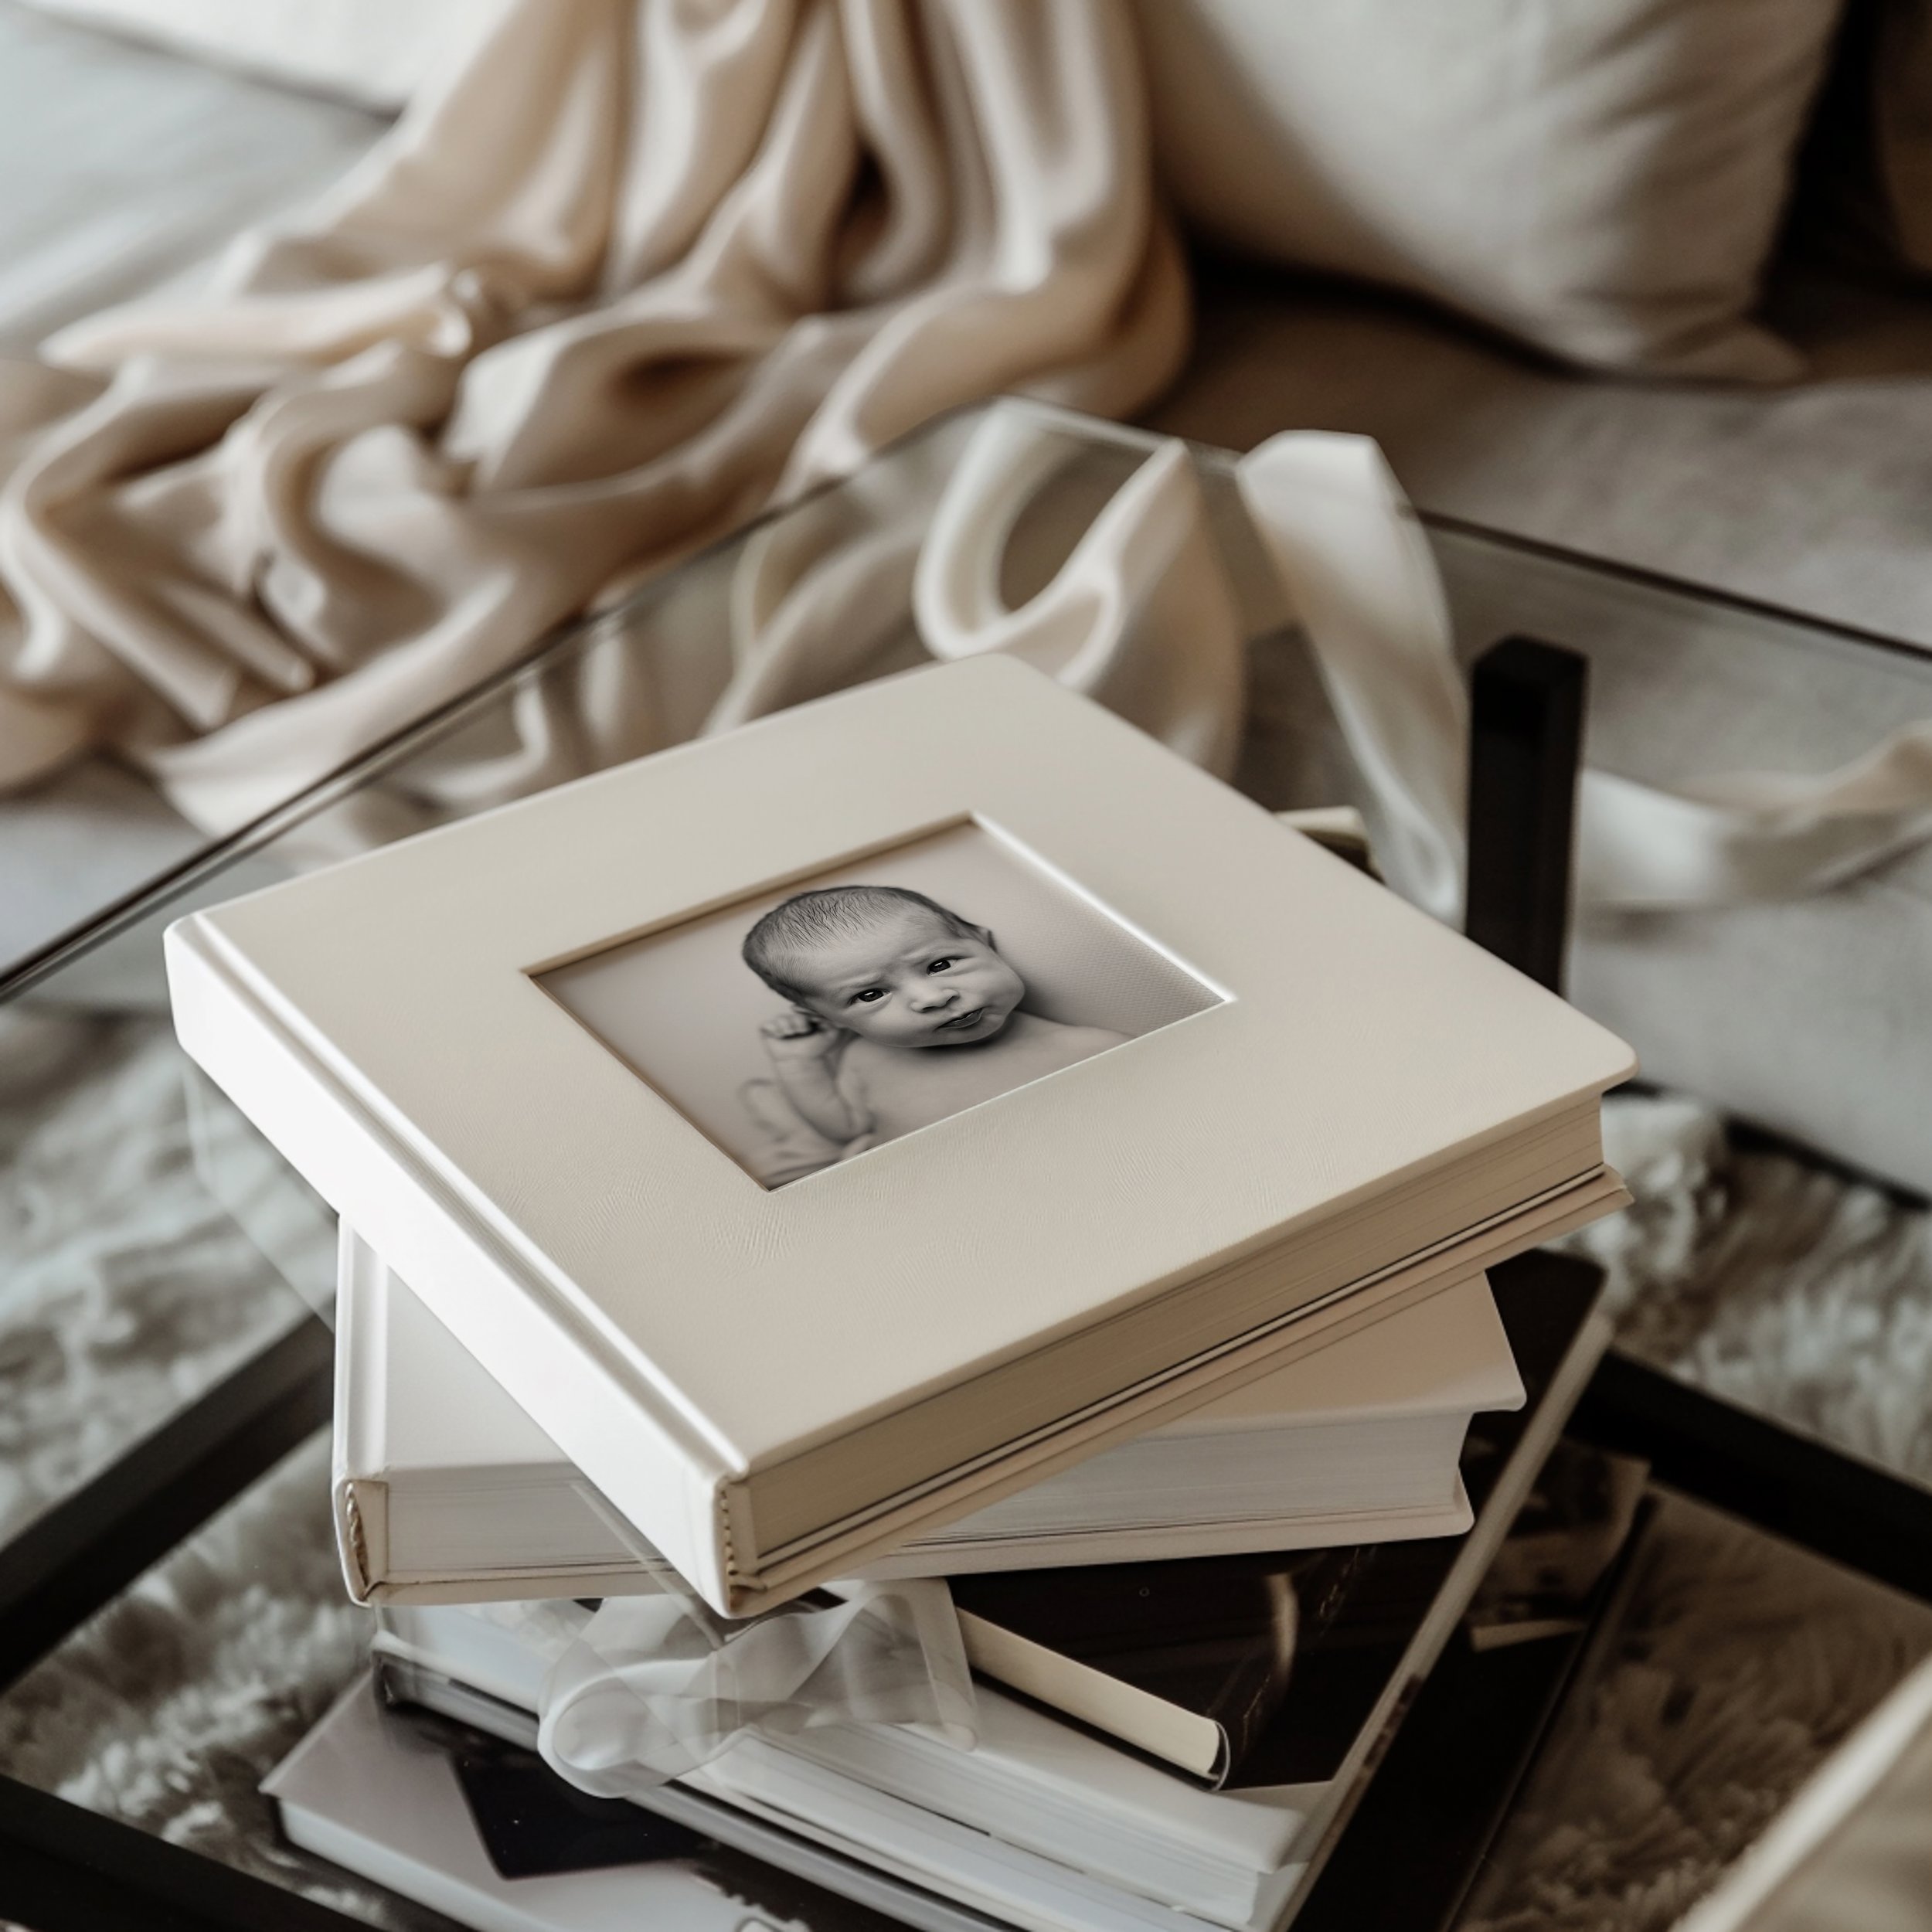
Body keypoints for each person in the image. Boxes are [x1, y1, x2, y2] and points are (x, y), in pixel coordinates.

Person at [741, 884, 1128, 1158]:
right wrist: (798, 1063)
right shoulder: (866, 1059)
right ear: (829, 1018)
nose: (932, 998)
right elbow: (847, 1130)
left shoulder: (1091, 1050)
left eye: (940, 965)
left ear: (984, 942)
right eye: (870, 994)